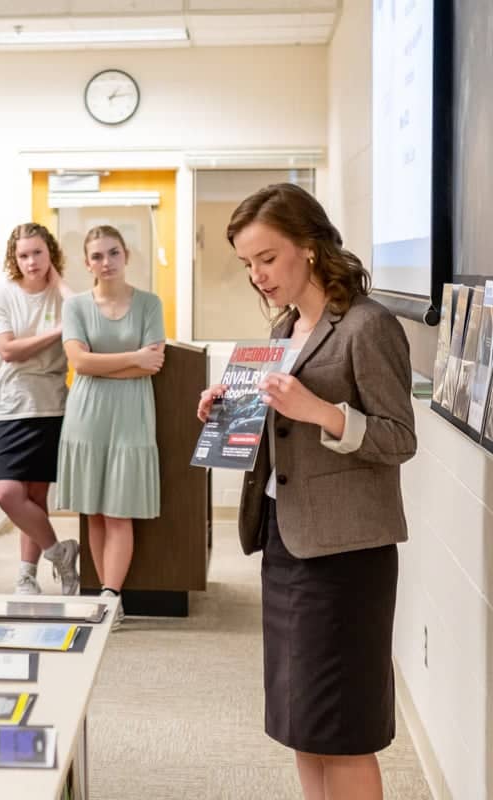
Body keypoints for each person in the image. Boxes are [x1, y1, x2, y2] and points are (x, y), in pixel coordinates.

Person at [198, 183, 416, 800]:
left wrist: (324, 411)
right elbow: (282, 426)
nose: (258, 276)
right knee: (303, 724)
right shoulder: (286, 327)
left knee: (343, 730)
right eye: (248, 264)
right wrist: (227, 409)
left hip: (346, 556)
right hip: (285, 539)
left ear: (310, 247)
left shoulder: (368, 327)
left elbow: (400, 438)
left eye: (267, 259)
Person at [56, 225, 165, 628]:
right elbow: (78, 364)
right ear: (87, 263)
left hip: (132, 416)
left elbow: (153, 364)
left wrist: (109, 365)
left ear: (126, 256)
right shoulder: (76, 307)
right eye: (97, 256)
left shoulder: (150, 304)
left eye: (113, 253)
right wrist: (132, 359)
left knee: (120, 513)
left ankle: (110, 596)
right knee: (96, 513)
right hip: (86, 416)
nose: (106, 262)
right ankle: (102, 593)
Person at [0, 223, 80, 595]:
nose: (31, 261)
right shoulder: (3, 294)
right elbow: (8, 350)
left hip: (50, 406)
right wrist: (59, 331)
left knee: (36, 498)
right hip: (9, 407)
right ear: (14, 258)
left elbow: (79, 310)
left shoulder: (63, 297)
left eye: (38, 253)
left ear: (50, 254)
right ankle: (59, 552)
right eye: (23, 255)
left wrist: (58, 281)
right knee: (8, 493)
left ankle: (27, 576)